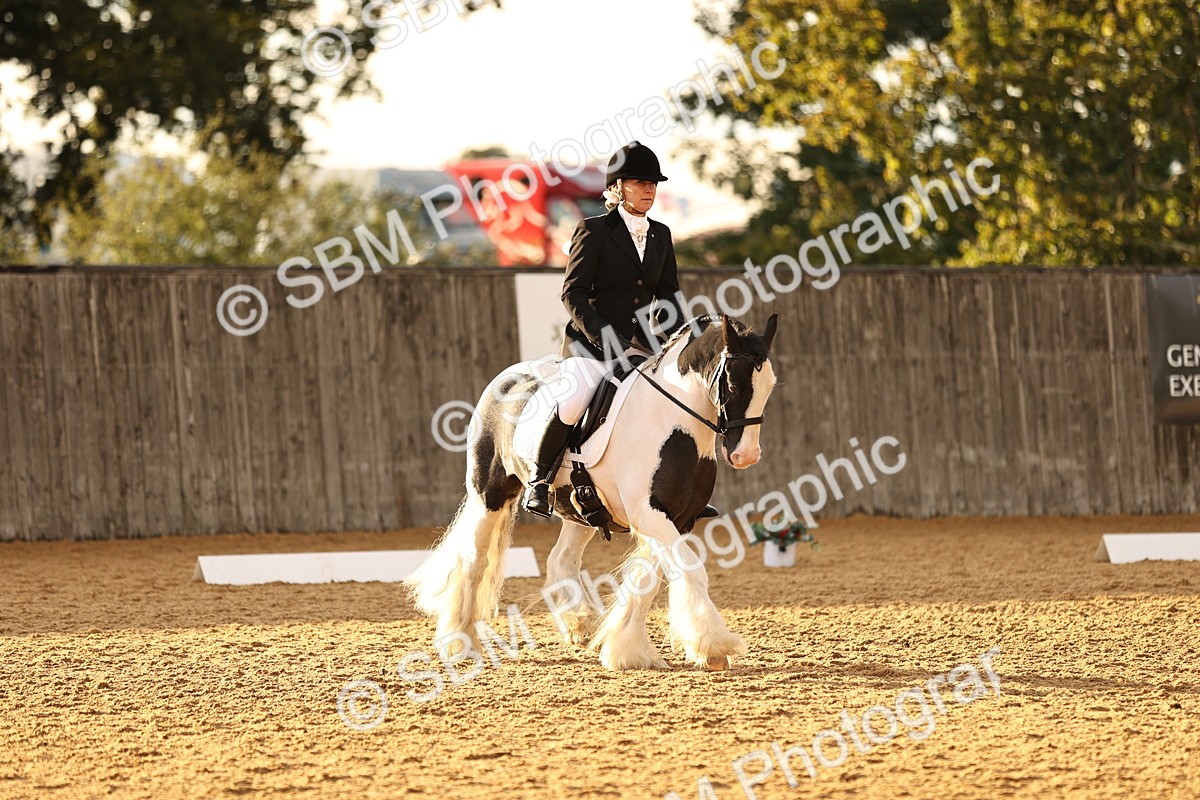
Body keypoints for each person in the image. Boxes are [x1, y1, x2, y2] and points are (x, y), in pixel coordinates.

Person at [522, 141, 716, 521]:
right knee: (575, 398)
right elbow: (572, 292)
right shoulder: (592, 231)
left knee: (676, 399)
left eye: (653, 183)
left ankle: (679, 490)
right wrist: (604, 337)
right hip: (592, 346)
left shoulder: (660, 234)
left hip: (643, 345)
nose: (649, 189)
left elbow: (670, 296)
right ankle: (541, 481)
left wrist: (681, 339)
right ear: (617, 187)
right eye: (640, 182)